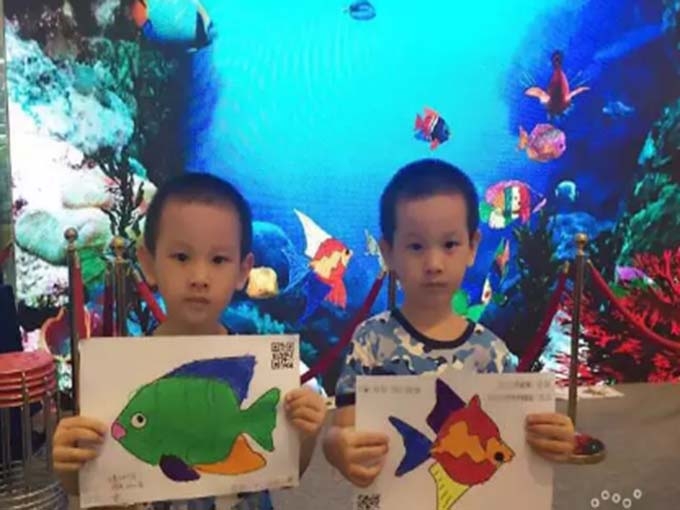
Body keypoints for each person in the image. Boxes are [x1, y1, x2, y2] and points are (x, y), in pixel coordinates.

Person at [52, 172, 327, 509]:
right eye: (181, 257)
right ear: (149, 263)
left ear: (243, 271)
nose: (199, 277)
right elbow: (91, 477)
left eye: (219, 260)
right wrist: (69, 465)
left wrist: (306, 436)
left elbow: (284, 470)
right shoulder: (118, 374)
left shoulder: (259, 367)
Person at [322, 158, 575, 488]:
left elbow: (509, 440)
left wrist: (551, 438)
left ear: (472, 247)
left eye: (450, 244)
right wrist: (337, 448)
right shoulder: (370, 341)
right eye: (415, 246)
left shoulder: (493, 353)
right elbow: (342, 428)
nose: (434, 263)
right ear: (388, 253)